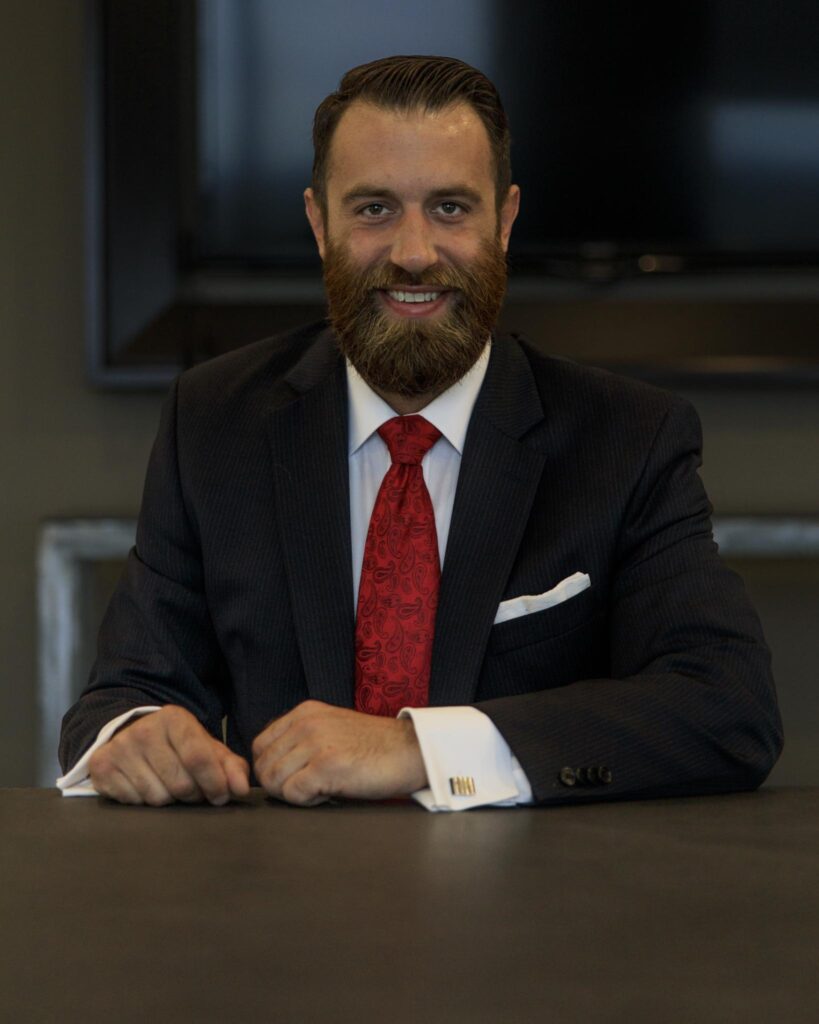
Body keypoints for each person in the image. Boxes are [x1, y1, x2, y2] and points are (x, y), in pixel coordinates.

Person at [58, 55, 782, 810]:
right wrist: (132, 735)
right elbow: (127, 691)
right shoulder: (212, 422)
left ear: (503, 222)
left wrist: (419, 748)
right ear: (319, 224)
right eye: (373, 208)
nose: (412, 252)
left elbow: (727, 709)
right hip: (272, 907)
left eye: (449, 209)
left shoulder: (628, 438)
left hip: (539, 906)